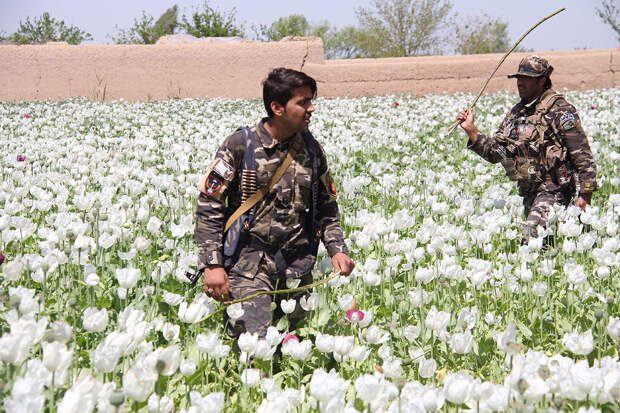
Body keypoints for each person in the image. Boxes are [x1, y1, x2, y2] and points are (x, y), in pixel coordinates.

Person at [195, 68, 355, 338]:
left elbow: (327, 206)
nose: (311, 108)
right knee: (254, 344)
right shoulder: (240, 145)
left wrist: (337, 249)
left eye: (311, 101)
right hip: (248, 264)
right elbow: (210, 207)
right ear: (277, 107)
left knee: (295, 344)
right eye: (303, 102)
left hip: (296, 265)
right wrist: (212, 265)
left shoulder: (312, 150)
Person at [457, 55, 598, 246]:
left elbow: (582, 154)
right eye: (518, 78)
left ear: (542, 80)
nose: (520, 83)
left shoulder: (560, 111)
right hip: (529, 191)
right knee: (547, 247)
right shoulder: (517, 114)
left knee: (531, 241)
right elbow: (496, 153)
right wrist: (472, 131)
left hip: (555, 191)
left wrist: (585, 193)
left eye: (527, 78)